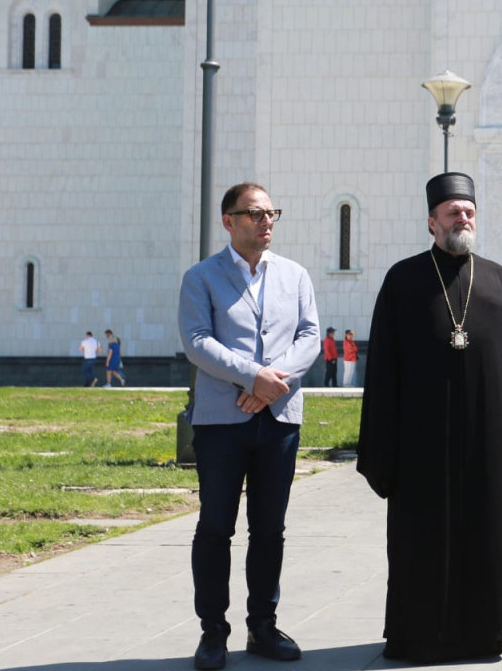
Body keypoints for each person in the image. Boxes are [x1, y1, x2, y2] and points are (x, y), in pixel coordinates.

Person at [356, 172, 502, 664]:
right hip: (420, 443)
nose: (464, 218)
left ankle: (483, 635)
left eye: (469, 211)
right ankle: (415, 637)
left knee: (484, 540)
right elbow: (384, 368)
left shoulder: (499, 280)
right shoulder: (403, 279)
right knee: (418, 541)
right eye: (454, 212)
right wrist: (382, 448)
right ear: (432, 222)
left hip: (485, 443)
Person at [178, 182, 320, 670]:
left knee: (269, 530)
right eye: (254, 214)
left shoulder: (295, 276)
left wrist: (271, 382)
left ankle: (262, 625)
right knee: (216, 527)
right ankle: (212, 632)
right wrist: (250, 375)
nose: (266, 222)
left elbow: (309, 336)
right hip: (221, 421)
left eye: (271, 213)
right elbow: (197, 341)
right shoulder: (201, 277)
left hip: (278, 419)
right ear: (229, 221)